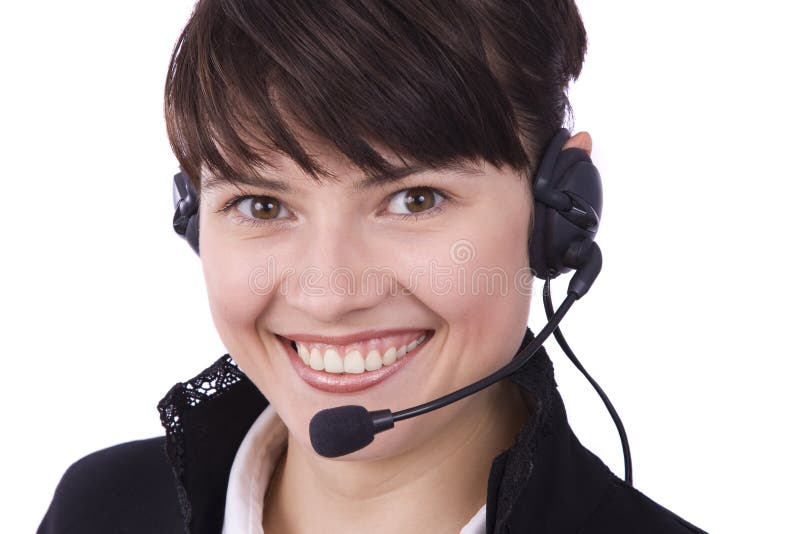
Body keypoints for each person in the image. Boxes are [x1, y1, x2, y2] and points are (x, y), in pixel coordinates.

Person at [38, 1, 707, 533]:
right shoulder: (101, 511)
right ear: (194, 217)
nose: (329, 294)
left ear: (558, 209)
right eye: (263, 204)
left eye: (414, 199)